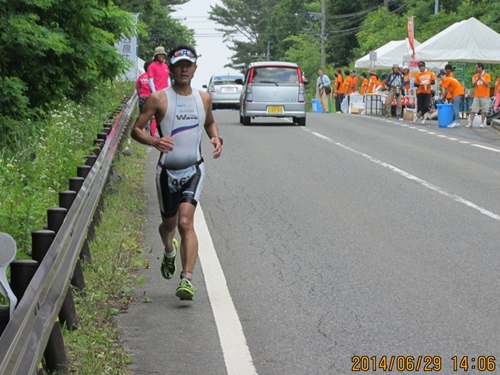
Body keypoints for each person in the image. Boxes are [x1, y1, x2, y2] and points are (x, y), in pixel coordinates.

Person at [131, 45, 223, 301]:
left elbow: (209, 122)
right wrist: (154, 141)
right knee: (168, 226)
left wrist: (215, 137)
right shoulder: (159, 98)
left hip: (194, 168)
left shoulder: (203, 98)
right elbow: (136, 130)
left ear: (195, 69)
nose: (184, 69)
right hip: (166, 173)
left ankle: (187, 280)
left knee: (185, 222)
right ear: (170, 68)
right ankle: (169, 251)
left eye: (189, 65)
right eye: (179, 65)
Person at [136, 60, 158, 137]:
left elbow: (138, 89)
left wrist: (140, 97)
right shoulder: (153, 78)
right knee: (153, 118)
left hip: (142, 98)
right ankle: (153, 134)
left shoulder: (140, 77)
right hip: (151, 98)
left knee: (142, 116)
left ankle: (141, 134)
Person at [467, 62, 491, 128]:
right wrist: (478, 78)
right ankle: (470, 123)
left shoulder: (487, 75)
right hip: (477, 95)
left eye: (477, 68)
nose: (476, 69)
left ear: (481, 68)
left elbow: (487, 84)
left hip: (485, 95)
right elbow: (473, 84)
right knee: (473, 109)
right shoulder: (475, 76)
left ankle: (482, 123)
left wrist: (482, 78)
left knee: (484, 109)